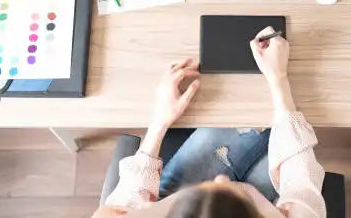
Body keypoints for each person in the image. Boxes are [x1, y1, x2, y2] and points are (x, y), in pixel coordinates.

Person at [92, 27, 326, 218]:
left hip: (170, 202)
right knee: (276, 130)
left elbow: (127, 198)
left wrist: (159, 121)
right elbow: (301, 184)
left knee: (255, 122)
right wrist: (278, 79)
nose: (221, 179)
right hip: (269, 206)